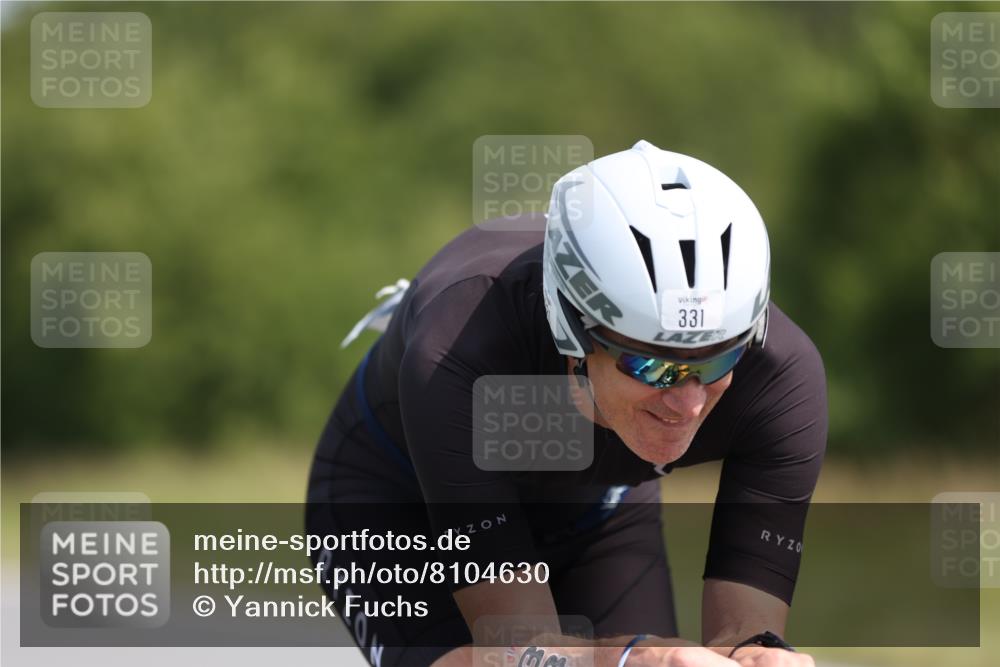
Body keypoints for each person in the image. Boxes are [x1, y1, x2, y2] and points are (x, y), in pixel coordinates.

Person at [306, 140, 827, 667]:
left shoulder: (780, 376)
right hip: (399, 506)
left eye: (717, 360)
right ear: (570, 328)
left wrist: (756, 654)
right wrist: (638, 658)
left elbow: (746, 631)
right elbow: (521, 649)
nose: (688, 402)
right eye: (652, 366)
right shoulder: (460, 347)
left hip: (595, 507)